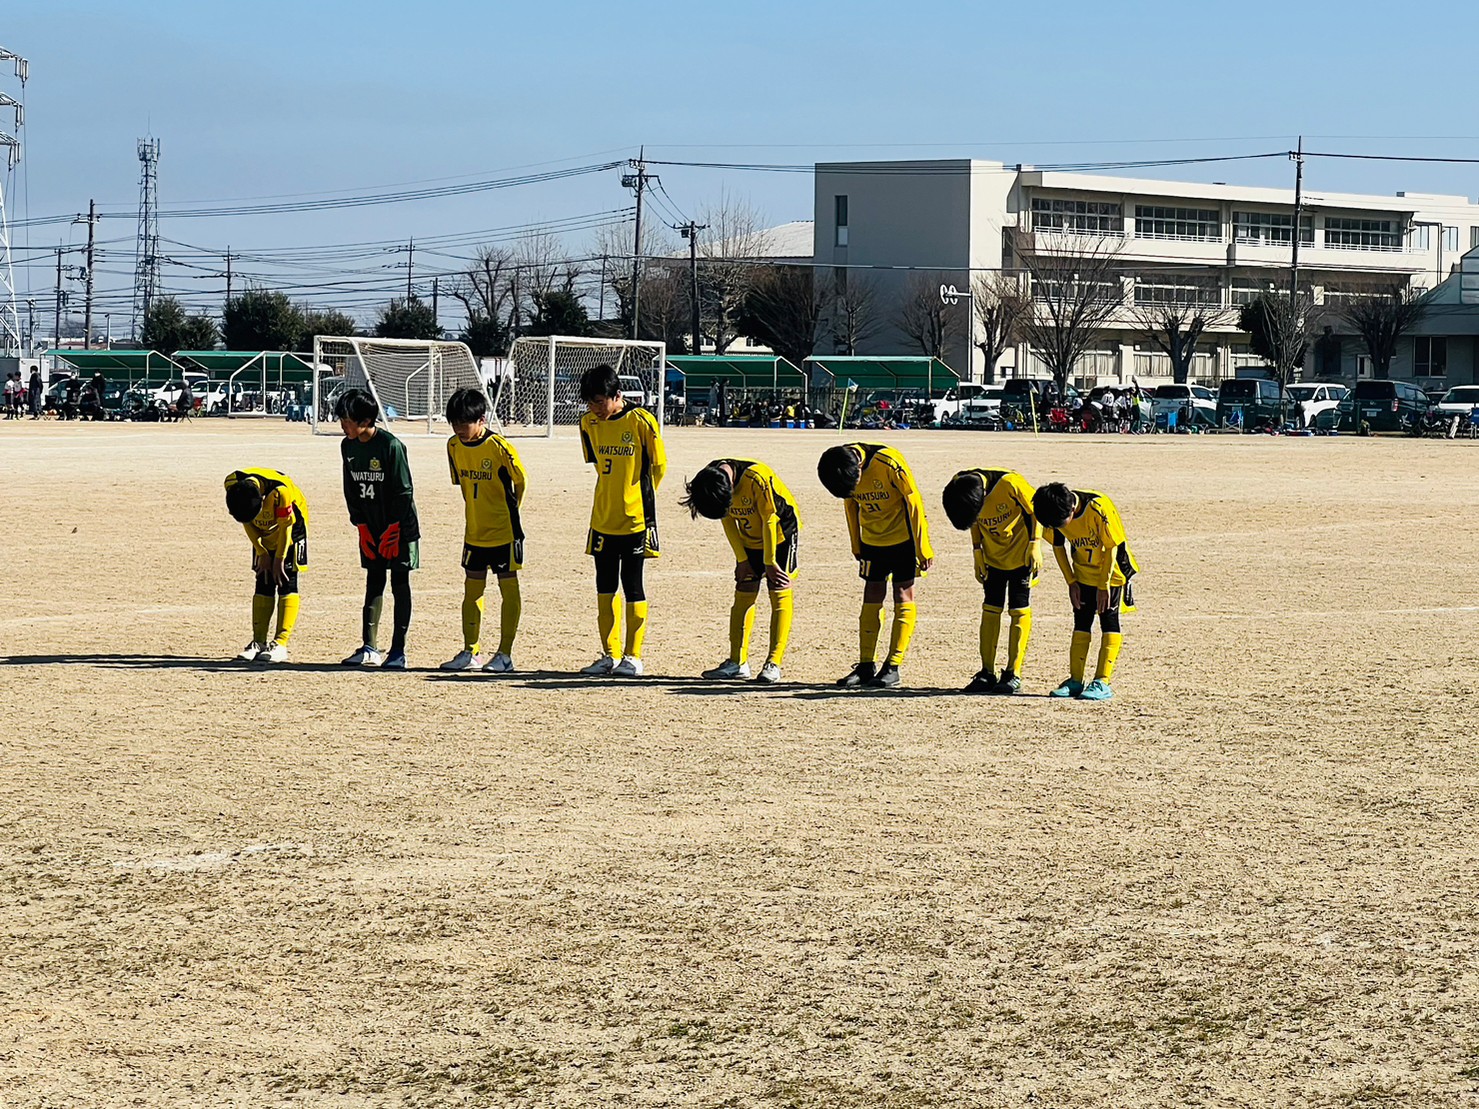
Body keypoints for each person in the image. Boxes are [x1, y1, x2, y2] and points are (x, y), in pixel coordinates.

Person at [817, 442, 933, 688]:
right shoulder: (839, 467)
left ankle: (893, 666)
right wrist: (856, 544)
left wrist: (923, 547)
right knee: (871, 595)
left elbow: (913, 502)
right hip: (871, 541)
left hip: (903, 540)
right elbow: (850, 506)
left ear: (859, 467)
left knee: (903, 594)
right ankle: (866, 665)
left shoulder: (889, 462)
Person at [577, 363, 666, 677]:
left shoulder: (641, 420)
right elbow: (598, 464)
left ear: (618, 395)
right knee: (604, 587)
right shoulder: (588, 423)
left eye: (601, 402)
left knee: (632, 585)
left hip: (634, 519)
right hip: (602, 517)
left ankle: (633, 656)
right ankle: (609, 654)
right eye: (591, 402)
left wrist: (639, 496)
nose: (596, 409)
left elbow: (658, 465)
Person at [679, 458, 801, 685]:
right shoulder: (711, 479)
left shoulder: (758, 478)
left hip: (780, 534)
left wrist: (770, 561)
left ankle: (773, 663)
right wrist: (742, 559)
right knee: (744, 588)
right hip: (749, 537)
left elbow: (769, 520)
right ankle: (737, 662)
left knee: (779, 588)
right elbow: (727, 521)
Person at [440, 386, 527, 674]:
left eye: (464, 423)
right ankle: (471, 651)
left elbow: (521, 482)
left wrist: (510, 513)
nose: (459, 429)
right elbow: (463, 486)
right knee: (472, 589)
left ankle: (505, 654)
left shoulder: (499, 448)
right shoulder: (453, 446)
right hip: (474, 531)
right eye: (454, 423)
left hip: (504, 531)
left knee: (508, 588)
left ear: (482, 419)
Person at [336, 388, 420, 669]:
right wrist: (360, 524)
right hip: (370, 526)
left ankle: (398, 651)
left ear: (365, 420)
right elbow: (350, 489)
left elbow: (404, 491)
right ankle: (369, 647)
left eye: (346, 419)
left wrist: (395, 528)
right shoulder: (347, 447)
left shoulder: (390, 446)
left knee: (399, 583)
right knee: (373, 582)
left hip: (399, 526)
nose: (342, 424)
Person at [1032, 482, 1140, 702]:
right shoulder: (1054, 512)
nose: (1056, 528)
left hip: (1112, 574)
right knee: (1081, 622)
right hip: (1082, 574)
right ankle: (1075, 680)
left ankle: (1102, 681)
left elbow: (1111, 547)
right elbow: (1058, 546)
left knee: (1108, 620)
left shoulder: (1098, 507)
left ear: (1071, 509)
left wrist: (1104, 585)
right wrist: (1071, 582)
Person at [941, 468, 1043, 695]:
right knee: (990, 609)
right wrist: (977, 550)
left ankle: (1013, 672)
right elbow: (973, 519)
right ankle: (987, 671)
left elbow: (1036, 511)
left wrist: (1035, 543)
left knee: (1018, 610)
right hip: (992, 557)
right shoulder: (960, 485)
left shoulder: (1010, 484)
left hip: (1020, 555)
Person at [223, 468, 309, 664]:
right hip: (263, 530)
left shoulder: (281, 491)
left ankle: (280, 643)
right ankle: (258, 641)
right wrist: (262, 552)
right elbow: (247, 521)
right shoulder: (233, 485)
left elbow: (286, 526)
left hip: (291, 529)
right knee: (263, 579)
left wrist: (279, 558)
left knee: (286, 579)